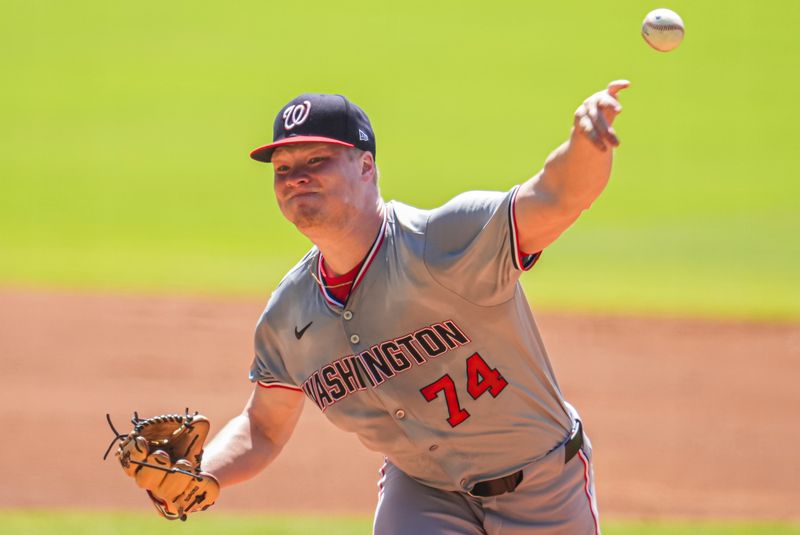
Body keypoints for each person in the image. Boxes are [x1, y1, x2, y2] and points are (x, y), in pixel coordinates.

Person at [202, 82, 630, 534]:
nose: (295, 178)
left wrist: (588, 145)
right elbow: (263, 427)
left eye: (316, 161)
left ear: (366, 166)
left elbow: (557, 197)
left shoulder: (445, 242)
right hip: (423, 493)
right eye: (283, 168)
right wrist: (200, 472)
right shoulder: (288, 315)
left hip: (544, 485)